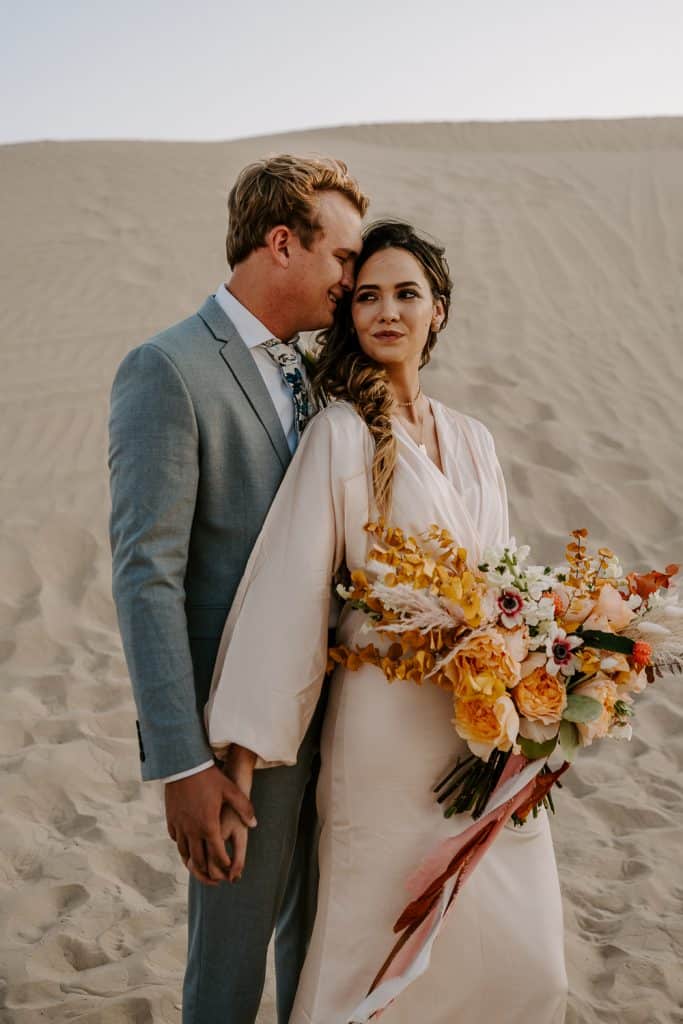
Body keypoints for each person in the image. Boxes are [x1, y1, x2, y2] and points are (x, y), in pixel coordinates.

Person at [205, 221, 569, 1023]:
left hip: (483, 725)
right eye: (366, 296)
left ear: (437, 310)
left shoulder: (474, 439)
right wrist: (242, 751)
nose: (386, 311)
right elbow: (290, 594)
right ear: (349, 317)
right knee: (373, 940)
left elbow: (507, 583)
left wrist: (535, 696)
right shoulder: (339, 433)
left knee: (523, 952)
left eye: (406, 293)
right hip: (381, 724)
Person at [108, 154, 367, 1024]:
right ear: (282, 242)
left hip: (340, 722)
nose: (353, 279)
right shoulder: (169, 368)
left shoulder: (319, 374)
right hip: (235, 745)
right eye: (342, 257)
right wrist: (184, 763)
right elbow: (148, 575)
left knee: (318, 953)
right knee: (226, 976)